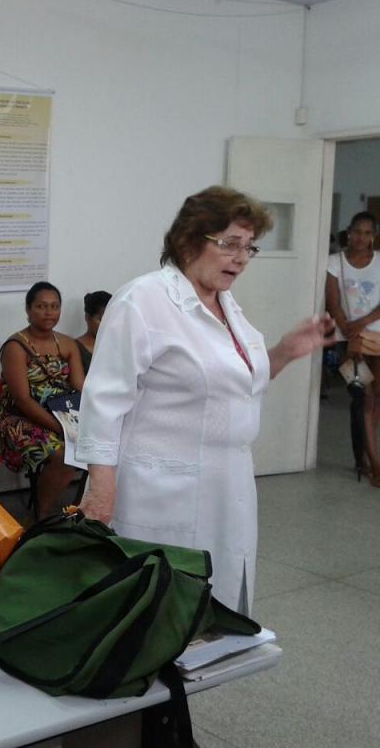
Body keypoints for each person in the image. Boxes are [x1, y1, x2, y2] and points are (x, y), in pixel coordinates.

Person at [76, 186, 335, 613]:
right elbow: (103, 401)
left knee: (216, 608)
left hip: (228, 485)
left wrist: (285, 351)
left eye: (249, 247)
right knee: (158, 611)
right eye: (230, 244)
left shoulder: (226, 305)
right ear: (189, 240)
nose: (241, 258)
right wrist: (100, 494)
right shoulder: (143, 300)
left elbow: (236, 383)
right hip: (161, 488)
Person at [0, 281, 85, 519]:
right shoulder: (15, 346)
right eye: (41, 306)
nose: (49, 312)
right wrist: (61, 428)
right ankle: (42, 517)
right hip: (19, 419)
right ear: (28, 309)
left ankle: (83, 512)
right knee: (64, 454)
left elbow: (80, 388)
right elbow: (23, 400)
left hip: (61, 414)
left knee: (102, 445)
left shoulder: (67, 344)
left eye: (55, 306)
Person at [324, 211, 380, 482]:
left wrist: (361, 323)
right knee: (362, 398)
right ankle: (371, 463)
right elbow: (332, 302)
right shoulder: (334, 262)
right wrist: (347, 327)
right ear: (348, 232)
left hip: (377, 338)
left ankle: (364, 459)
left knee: (375, 399)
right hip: (349, 342)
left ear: (374, 236)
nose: (361, 237)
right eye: (357, 231)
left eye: (367, 233)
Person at [74, 290, 111, 374]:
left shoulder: (118, 347)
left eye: (111, 319)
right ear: (88, 317)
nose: (106, 324)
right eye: (101, 319)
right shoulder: (75, 348)